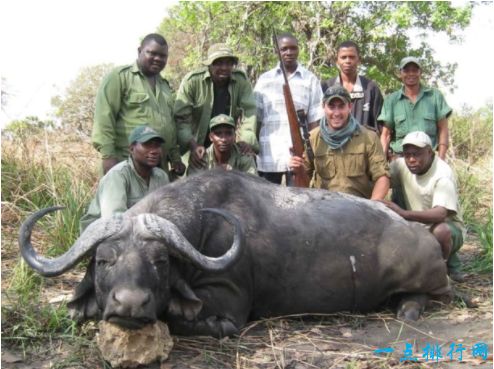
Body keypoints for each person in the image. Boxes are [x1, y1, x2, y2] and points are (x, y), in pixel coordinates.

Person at [92, 33, 185, 177]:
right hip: (126, 163)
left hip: (158, 167)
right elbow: (104, 119)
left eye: (163, 56)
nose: (158, 59)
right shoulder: (120, 77)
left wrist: (175, 158)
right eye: (152, 53)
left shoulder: (165, 86)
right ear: (139, 51)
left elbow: (170, 127)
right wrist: (108, 157)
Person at [378, 131, 465, 282]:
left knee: (441, 231)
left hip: (446, 227)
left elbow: (440, 214)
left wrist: (403, 213)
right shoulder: (401, 165)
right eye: (407, 155)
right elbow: (381, 177)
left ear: (429, 153)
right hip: (417, 226)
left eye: (417, 154)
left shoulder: (442, 175)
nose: (411, 159)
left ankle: (442, 268)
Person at [289, 85, 390, 200]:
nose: (336, 113)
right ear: (324, 107)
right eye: (331, 107)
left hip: (359, 207)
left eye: (341, 106)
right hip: (324, 206)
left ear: (350, 107)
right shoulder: (312, 138)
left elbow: (382, 177)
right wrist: (298, 169)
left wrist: (373, 206)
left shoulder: (369, 137)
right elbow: (302, 186)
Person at [174, 43, 258, 170]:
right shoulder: (192, 81)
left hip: (226, 144)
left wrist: (246, 140)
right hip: (197, 146)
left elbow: (249, 112)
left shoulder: (241, 81)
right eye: (218, 63)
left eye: (229, 63)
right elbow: (181, 119)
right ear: (209, 65)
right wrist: (193, 145)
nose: (224, 67)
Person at [255, 32, 323, 185]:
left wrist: (309, 152)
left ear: (299, 50)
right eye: (284, 49)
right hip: (269, 155)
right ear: (277, 51)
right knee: (267, 204)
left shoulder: (310, 79)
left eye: (293, 48)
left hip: (298, 157)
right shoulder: (264, 79)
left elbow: (315, 121)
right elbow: (256, 118)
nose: (289, 53)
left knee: (298, 203)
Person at [80, 125, 169, 232]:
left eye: (157, 146)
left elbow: (166, 214)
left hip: (139, 232)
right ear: (131, 149)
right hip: (102, 233)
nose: (154, 151)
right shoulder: (117, 175)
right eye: (147, 145)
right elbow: (114, 222)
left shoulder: (162, 176)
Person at [378, 56, 452, 161]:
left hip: (428, 157)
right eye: (406, 70)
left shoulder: (434, 96)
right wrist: (382, 163)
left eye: (414, 70)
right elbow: (385, 135)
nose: (411, 74)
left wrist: (441, 160)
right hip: (400, 158)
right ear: (400, 73)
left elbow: (443, 129)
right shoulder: (391, 100)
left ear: (420, 72)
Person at [321, 40, 383, 131]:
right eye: (343, 57)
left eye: (352, 57)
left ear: (359, 60)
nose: (348, 61)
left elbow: (379, 126)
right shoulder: (326, 87)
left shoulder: (370, 88)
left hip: (363, 143)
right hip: (332, 142)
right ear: (337, 61)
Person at [187, 114, 257, 175]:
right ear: (211, 137)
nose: (223, 139)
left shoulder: (244, 157)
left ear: (234, 136)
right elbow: (192, 187)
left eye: (228, 133)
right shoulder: (201, 158)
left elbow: (252, 185)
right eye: (218, 134)